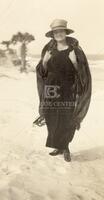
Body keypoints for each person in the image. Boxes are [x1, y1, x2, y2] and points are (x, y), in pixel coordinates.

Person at [35, 19, 92, 162]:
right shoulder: (48, 50)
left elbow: (83, 73)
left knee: (67, 118)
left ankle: (65, 147)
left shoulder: (75, 51)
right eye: (55, 32)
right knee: (51, 117)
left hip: (68, 89)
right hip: (51, 88)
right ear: (52, 34)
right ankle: (58, 146)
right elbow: (42, 72)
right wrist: (45, 61)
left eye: (61, 31)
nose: (58, 34)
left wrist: (73, 61)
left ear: (65, 32)